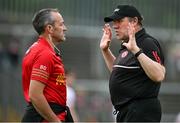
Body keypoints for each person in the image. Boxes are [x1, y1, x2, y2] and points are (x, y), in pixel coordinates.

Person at [100, 5, 166, 122]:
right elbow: (119, 73)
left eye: (119, 21)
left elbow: (159, 75)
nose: (115, 26)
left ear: (134, 21)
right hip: (128, 112)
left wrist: (136, 50)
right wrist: (105, 50)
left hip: (141, 112)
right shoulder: (128, 45)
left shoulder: (146, 43)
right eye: (114, 22)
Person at [21, 8, 73, 122]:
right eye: (61, 24)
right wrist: (55, 121)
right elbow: (35, 95)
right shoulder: (45, 54)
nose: (65, 28)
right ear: (49, 28)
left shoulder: (39, 49)